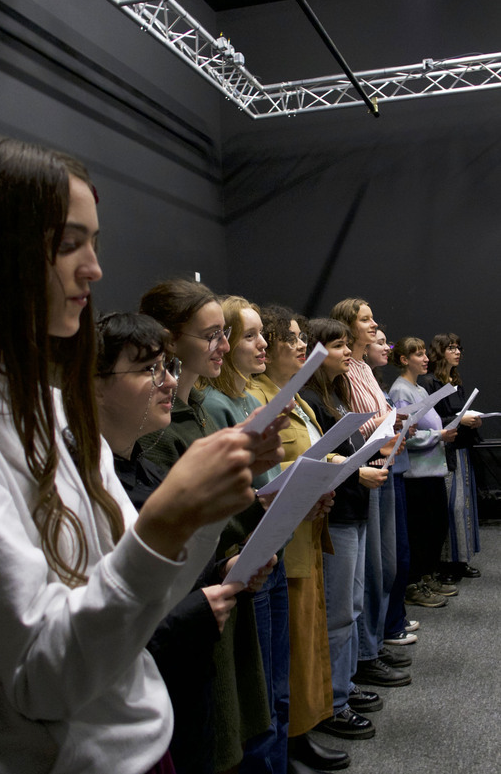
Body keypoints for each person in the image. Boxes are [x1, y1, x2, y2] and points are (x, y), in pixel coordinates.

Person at [0, 137, 286, 774]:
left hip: (139, 750)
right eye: (70, 243)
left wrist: (199, 512)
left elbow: (129, 604)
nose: (93, 268)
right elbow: (46, 675)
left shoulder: (46, 407)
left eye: (94, 243)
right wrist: (170, 521)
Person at [95, 311, 273, 774]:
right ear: (93, 384)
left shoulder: (147, 471)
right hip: (144, 697)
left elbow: (177, 567)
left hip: (187, 681)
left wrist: (224, 571)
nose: (169, 382)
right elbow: (103, 621)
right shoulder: (86, 490)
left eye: (167, 367)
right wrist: (192, 610)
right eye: (148, 369)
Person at [139, 280, 279, 774]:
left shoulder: (198, 408)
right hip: (193, 597)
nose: (223, 345)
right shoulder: (157, 432)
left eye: (225, 334)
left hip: (223, 577)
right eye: (212, 335)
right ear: (170, 341)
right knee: (210, 735)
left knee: (236, 722)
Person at [246, 305, 342, 773]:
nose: (300, 344)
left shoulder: (295, 397)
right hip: (285, 534)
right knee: (293, 646)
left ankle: (300, 734)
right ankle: (293, 739)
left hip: (305, 526)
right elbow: (264, 469)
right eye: (289, 338)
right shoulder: (256, 395)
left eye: (300, 337)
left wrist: (323, 479)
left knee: (306, 637)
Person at [199, 296, 293, 774]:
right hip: (241, 554)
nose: (264, 344)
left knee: (276, 688)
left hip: (267, 547)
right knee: (257, 704)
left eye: (263, 334)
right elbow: (239, 490)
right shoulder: (214, 405)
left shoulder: (251, 397)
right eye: (251, 335)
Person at [301, 318, 388, 742]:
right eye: (338, 346)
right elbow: (322, 463)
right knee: (339, 611)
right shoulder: (311, 400)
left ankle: (345, 686)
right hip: (336, 514)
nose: (348, 352)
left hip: (352, 507)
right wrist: (359, 473)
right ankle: (334, 701)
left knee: (351, 605)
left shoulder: (331, 395)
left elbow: (343, 453)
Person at [330, 299, 411, 689]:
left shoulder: (364, 368)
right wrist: (386, 421)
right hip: (365, 471)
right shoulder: (346, 374)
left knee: (384, 568)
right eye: (366, 319)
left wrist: (392, 423)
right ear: (347, 325)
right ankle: (366, 654)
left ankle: (373, 645)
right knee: (372, 572)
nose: (374, 324)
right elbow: (353, 430)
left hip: (383, 467)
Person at [389, 337, 459, 609]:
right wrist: (439, 435)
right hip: (416, 474)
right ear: (404, 360)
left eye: (424, 353)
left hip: (432, 470)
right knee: (420, 532)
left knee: (436, 528)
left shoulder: (418, 388)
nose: (425, 358)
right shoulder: (401, 390)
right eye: (417, 354)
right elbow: (407, 435)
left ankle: (427, 576)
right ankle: (414, 584)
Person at [365, 330, 419, 644]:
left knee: (395, 556)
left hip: (391, 469)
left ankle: (392, 619)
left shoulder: (376, 383)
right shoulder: (367, 383)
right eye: (380, 341)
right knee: (385, 560)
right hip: (377, 474)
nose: (386, 346)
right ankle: (387, 627)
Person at [420, 333, 483, 582]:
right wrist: (461, 420)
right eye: (451, 348)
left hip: (462, 449)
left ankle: (459, 560)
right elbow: (430, 422)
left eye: (459, 347)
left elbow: (459, 413)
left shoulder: (455, 380)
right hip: (444, 452)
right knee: (451, 507)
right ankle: (445, 563)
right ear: (439, 351)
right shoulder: (429, 383)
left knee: (464, 508)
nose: (457, 352)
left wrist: (472, 421)